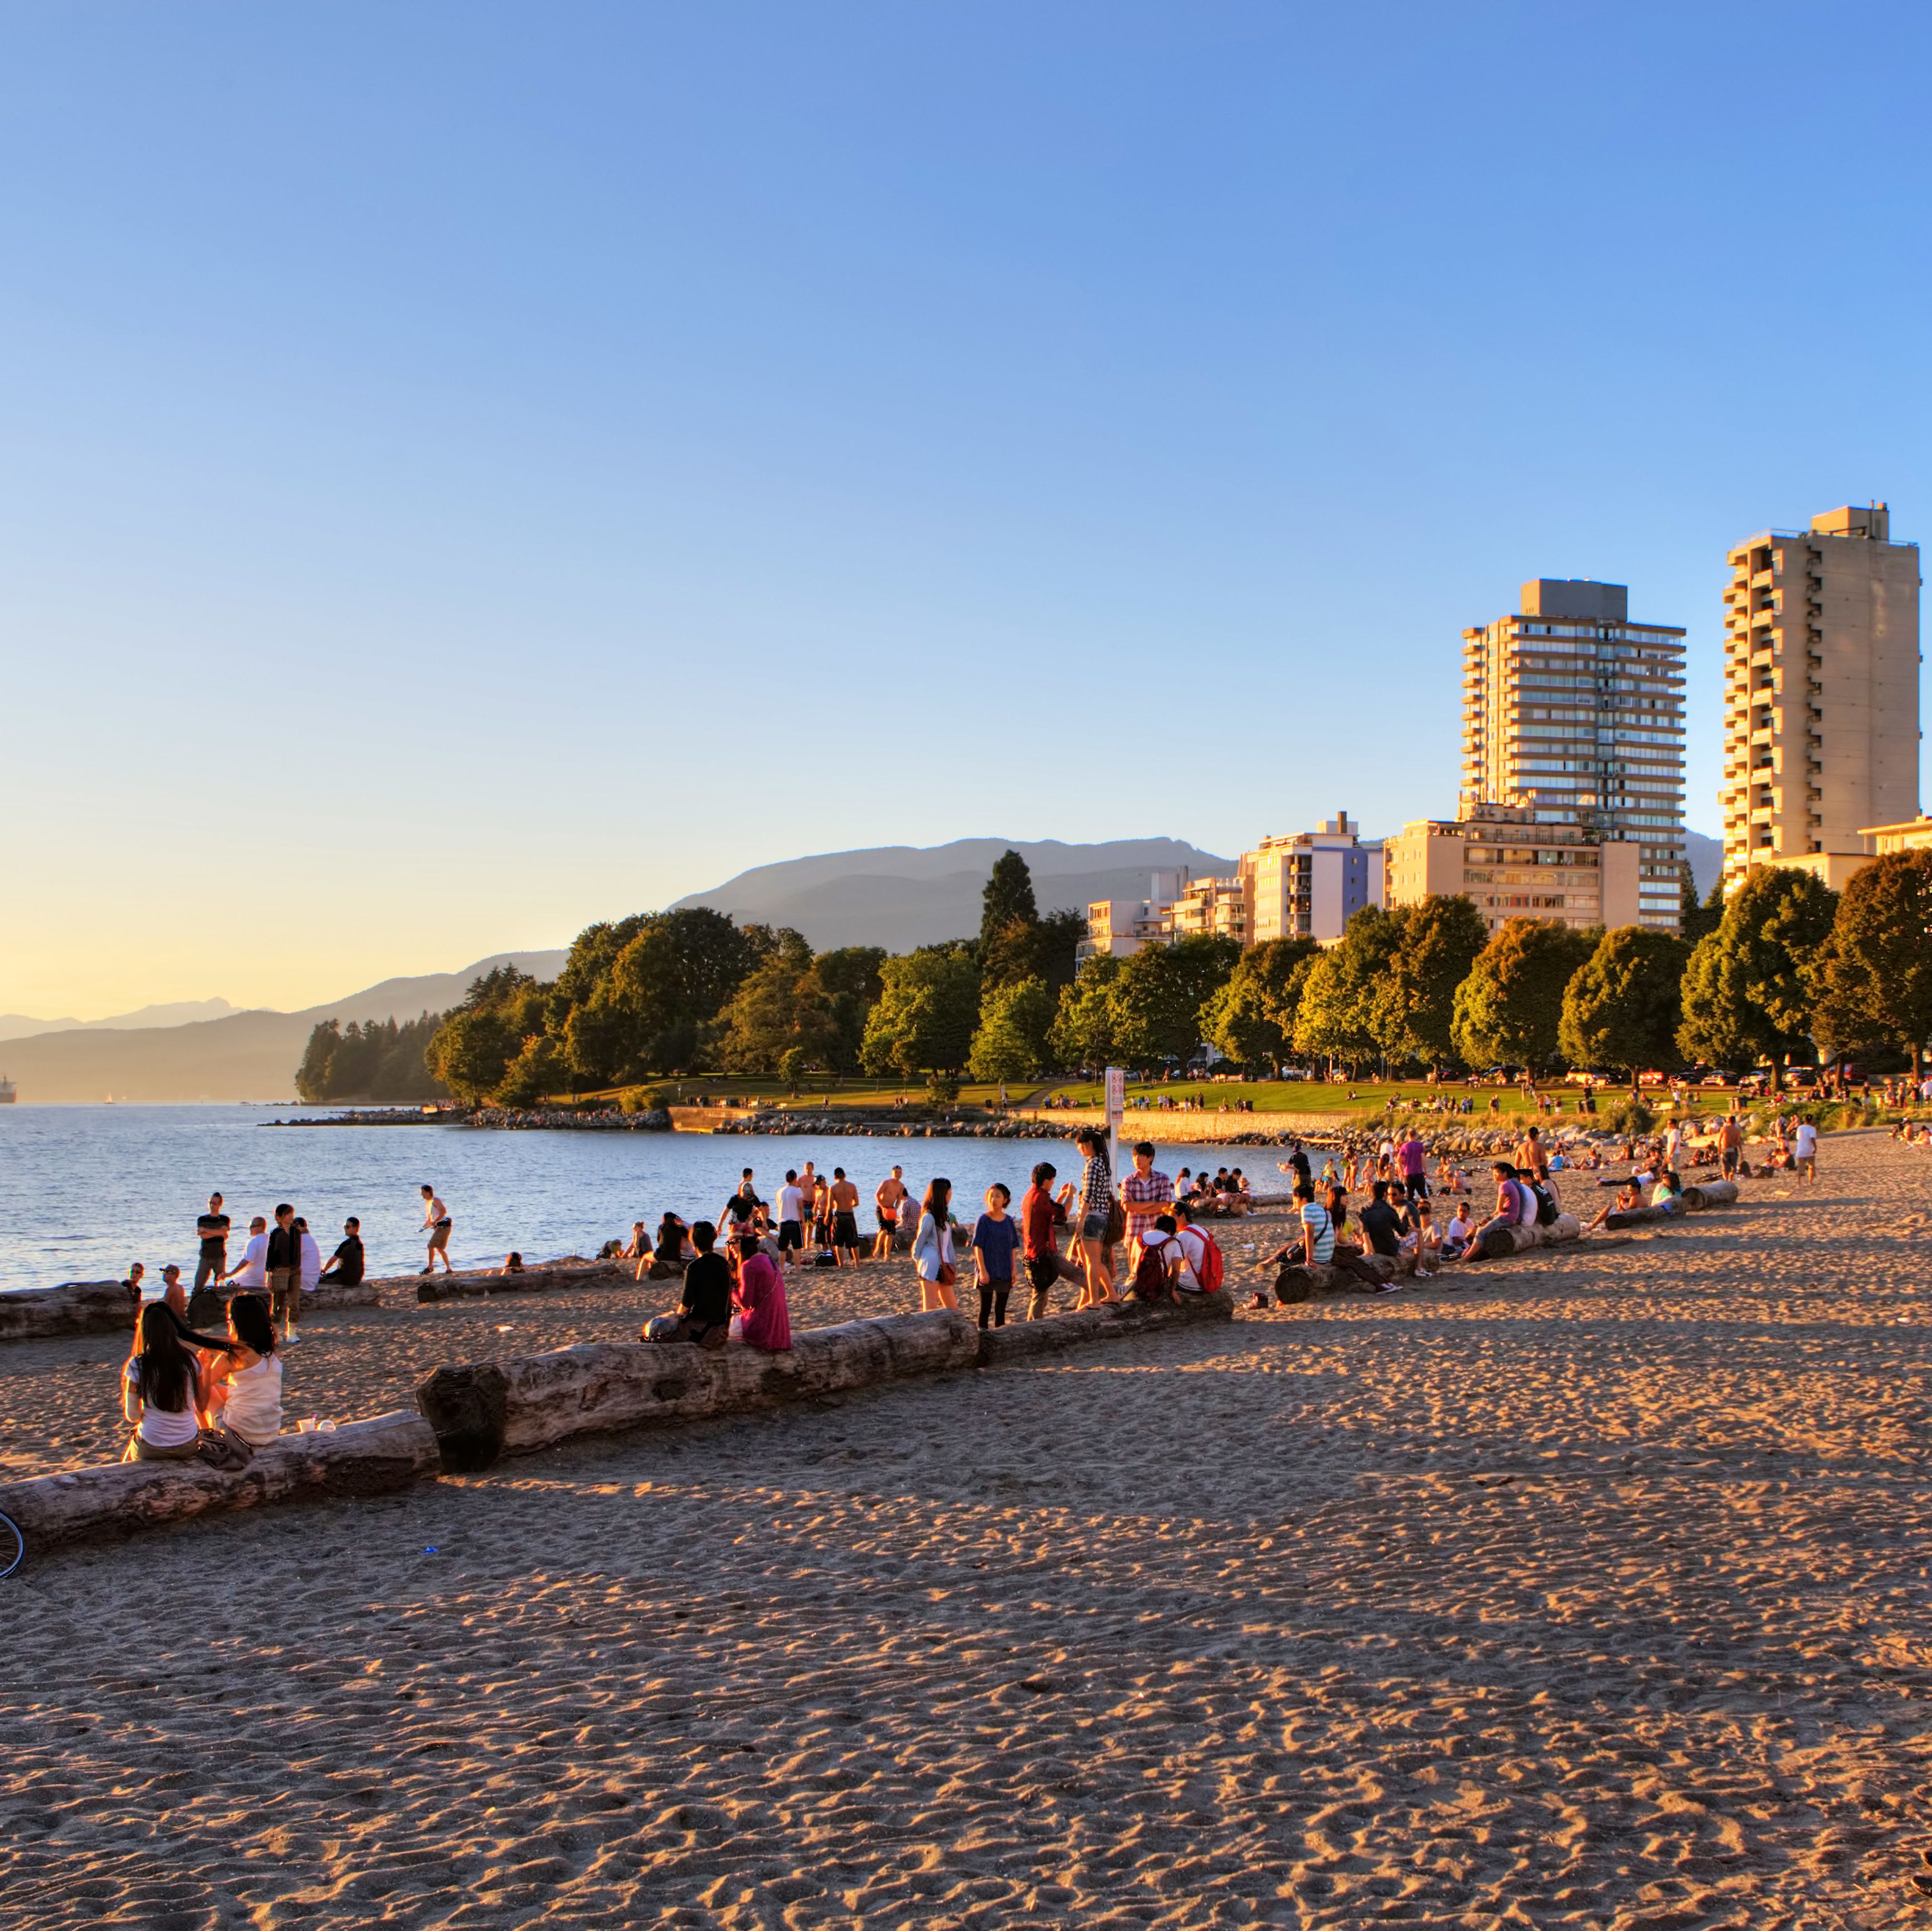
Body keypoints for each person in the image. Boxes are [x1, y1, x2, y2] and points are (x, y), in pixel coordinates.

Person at [122, 1302, 206, 1461]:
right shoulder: (191, 1361)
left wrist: (146, 1417)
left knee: (134, 1439)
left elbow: (132, 1415)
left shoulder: (138, 1364)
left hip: (152, 1447)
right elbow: (202, 1405)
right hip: (187, 1444)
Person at [202, 1294, 283, 1447]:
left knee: (204, 1389)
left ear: (235, 1323)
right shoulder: (274, 1352)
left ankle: (206, 1436)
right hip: (270, 1432)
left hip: (241, 1435)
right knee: (222, 1389)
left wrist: (205, 1367)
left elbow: (201, 1389)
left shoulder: (233, 1355)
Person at [642, 1220, 732, 1348]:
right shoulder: (724, 1264)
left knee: (655, 1326)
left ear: (694, 1242)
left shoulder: (694, 1267)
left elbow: (685, 1307)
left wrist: (673, 1317)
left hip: (700, 1331)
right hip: (720, 1330)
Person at [1021, 1162, 1081, 1320]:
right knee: (1073, 1274)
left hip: (1033, 1250)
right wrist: (1071, 1195)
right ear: (1047, 1180)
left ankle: (1032, 1322)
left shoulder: (1030, 1196)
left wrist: (1061, 1196)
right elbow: (1062, 1214)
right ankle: (1101, 1295)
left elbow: (1050, 1211)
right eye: (1053, 1181)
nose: (1053, 1184)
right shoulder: (1040, 1197)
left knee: (1041, 1291)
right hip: (1044, 1252)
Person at [1072, 1128, 1117, 1307]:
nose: (1079, 1150)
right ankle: (1112, 1294)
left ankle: (1094, 1300)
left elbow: (1088, 1196)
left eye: (1080, 1146)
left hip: (1092, 1217)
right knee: (1097, 1261)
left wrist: (1081, 1221)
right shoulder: (1103, 1164)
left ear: (1088, 1144)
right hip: (1103, 1217)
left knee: (1091, 1262)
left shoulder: (1092, 1165)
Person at [970, 1183, 1024, 1329]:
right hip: (987, 1271)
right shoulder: (983, 1220)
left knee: (1000, 1311)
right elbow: (978, 1247)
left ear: (1005, 1200)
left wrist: (1014, 1270)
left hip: (1004, 1271)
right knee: (985, 1310)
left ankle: (1000, 1340)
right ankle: (984, 1339)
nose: (993, 1199)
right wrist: (983, 1271)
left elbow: (1013, 1247)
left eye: (998, 1196)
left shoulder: (1008, 1221)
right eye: (991, 1196)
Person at [729, 1232, 792, 1351]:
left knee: (728, 1330)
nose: (730, 1246)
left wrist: (732, 1292)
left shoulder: (748, 1266)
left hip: (763, 1327)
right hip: (779, 1328)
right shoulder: (767, 1259)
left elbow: (745, 1304)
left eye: (734, 1242)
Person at [911, 1179, 958, 1313]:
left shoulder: (946, 1217)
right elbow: (919, 1241)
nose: (951, 1195)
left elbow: (949, 1245)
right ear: (943, 1194)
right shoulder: (929, 1217)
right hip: (930, 1265)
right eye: (949, 1192)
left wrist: (953, 1264)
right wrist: (918, 1260)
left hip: (945, 1265)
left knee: (953, 1310)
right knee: (930, 1310)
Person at [1120, 1143, 1173, 1247]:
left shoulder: (1162, 1179)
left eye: (1141, 1156)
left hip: (1157, 1230)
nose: (1137, 1159)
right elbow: (1127, 1206)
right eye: (1134, 1156)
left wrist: (1138, 1209)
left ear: (1150, 1158)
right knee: (1135, 1262)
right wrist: (1152, 1203)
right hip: (1135, 1230)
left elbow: (1164, 1205)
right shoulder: (1128, 1181)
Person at [266, 1203, 303, 1345]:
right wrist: (269, 1275)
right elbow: (270, 1255)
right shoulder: (276, 1233)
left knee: (294, 1302)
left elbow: (298, 1253)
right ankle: (275, 1332)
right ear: (280, 1217)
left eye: (291, 1213)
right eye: (288, 1214)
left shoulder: (296, 1232)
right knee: (278, 1304)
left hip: (294, 1271)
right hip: (279, 1271)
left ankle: (291, 1332)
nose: (291, 1216)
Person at [1128, 1213, 1182, 1304]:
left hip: (1137, 1286)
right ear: (1169, 1232)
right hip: (1158, 1287)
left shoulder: (1138, 1239)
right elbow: (1176, 1270)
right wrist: (1172, 1290)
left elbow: (1133, 1265)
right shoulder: (1173, 1242)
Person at [194, 1192, 231, 1292]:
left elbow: (224, 1233)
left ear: (220, 1204)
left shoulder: (224, 1219)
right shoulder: (203, 1219)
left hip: (219, 1256)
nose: (212, 1205)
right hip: (205, 1256)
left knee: (220, 1285)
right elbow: (203, 1236)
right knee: (199, 1284)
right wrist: (219, 1233)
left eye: (215, 1203)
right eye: (211, 1203)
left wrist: (207, 1230)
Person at [225, 1215, 269, 1294]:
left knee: (226, 1284)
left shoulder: (253, 1241)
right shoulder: (272, 1240)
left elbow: (247, 1260)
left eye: (252, 1226)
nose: (250, 1229)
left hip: (250, 1280)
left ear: (261, 1227)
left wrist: (231, 1273)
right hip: (265, 1280)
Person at [318, 1217, 365, 1288]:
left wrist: (323, 1271)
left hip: (345, 1279)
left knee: (318, 1280)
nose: (345, 1229)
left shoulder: (347, 1244)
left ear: (356, 1228)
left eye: (348, 1227)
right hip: (357, 1279)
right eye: (345, 1226)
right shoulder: (360, 1244)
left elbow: (332, 1261)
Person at [874, 1165, 909, 1259]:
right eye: (896, 1172)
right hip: (881, 1208)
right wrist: (883, 1207)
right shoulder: (886, 1183)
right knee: (884, 1230)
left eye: (900, 1172)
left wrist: (895, 1209)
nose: (898, 1174)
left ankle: (887, 1255)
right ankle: (877, 1250)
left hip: (891, 1210)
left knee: (891, 1233)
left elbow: (898, 1200)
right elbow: (877, 1196)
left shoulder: (901, 1186)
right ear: (892, 1173)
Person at [829, 1168, 862, 1267]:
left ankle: (841, 1264)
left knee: (839, 1242)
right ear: (845, 1175)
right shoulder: (852, 1186)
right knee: (854, 1242)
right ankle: (857, 1264)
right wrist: (848, 1204)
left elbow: (830, 1206)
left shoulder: (833, 1188)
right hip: (849, 1215)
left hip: (839, 1215)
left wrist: (828, 1217)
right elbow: (857, 1203)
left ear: (835, 1177)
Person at [721, 1169, 765, 1239]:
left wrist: (720, 1225)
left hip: (739, 1222)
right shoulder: (747, 1187)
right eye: (752, 1175)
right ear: (750, 1175)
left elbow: (726, 1211)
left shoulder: (742, 1187)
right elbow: (726, 1211)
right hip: (739, 1223)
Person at [420, 1184, 453, 1276]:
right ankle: (449, 1269)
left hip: (444, 1225)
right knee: (440, 1249)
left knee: (431, 1246)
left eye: (422, 1192)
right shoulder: (428, 1204)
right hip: (440, 1226)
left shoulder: (436, 1200)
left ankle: (430, 1267)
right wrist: (422, 1228)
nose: (422, 1194)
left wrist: (436, 1222)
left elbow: (444, 1211)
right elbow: (430, 1220)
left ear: (427, 1192)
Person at [776, 1170, 806, 1269]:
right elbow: (801, 1207)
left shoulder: (780, 1191)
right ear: (795, 1178)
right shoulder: (797, 1191)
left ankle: (783, 1269)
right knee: (797, 1247)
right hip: (794, 1222)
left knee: (782, 1248)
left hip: (783, 1222)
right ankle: (797, 1268)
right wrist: (804, 1221)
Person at [650, 1214, 692, 1278]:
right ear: (675, 1220)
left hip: (661, 1257)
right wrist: (682, 1222)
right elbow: (689, 1235)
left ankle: (640, 1278)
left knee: (645, 1257)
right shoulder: (681, 1229)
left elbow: (659, 1242)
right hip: (676, 1257)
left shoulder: (661, 1228)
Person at [1793, 1117, 1819, 1181]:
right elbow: (1812, 1139)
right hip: (1809, 1149)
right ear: (1811, 1121)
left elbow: (1798, 1138)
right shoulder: (1812, 1129)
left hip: (1801, 1149)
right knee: (1811, 1166)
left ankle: (1799, 1183)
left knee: (1800, 1167)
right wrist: (1815, 1148)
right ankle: (1810, 1182)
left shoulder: (1800, 1128)